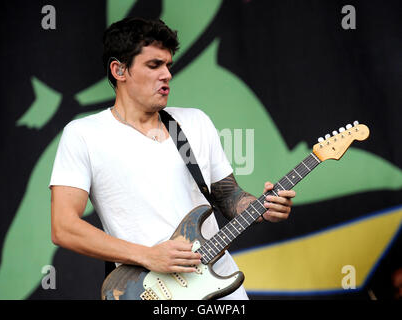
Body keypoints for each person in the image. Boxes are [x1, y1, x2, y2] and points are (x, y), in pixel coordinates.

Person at [49, 17, 296, 300]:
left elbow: (228, 196)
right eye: (154, 65)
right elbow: (64, 227)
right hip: (154, 292)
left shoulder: (195, 122)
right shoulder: (84, 135)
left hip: (221, 288)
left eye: (168, 65)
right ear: (119, 70)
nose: (166, 74)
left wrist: (261, 206)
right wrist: (148, 256)